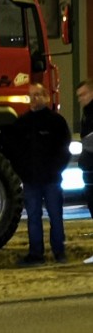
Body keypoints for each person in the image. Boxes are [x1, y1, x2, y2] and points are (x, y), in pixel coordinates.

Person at [8, 82, 71, 265]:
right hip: (31, 181)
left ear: (46, 97)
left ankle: (59, 252)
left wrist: (56, 169)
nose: (34, 99)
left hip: (51, 180)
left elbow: (65, 149)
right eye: (31, 96)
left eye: (37, 95)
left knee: (55, 217)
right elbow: (14, 152)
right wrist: (22, 172)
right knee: (33, 218)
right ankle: (36, 254)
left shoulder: (56, 122)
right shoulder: (22, 123)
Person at [75, 79, 93, 263]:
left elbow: (89, 141)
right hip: (89, 168)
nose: (81, 99)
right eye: (79, 96)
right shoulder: (87, 113)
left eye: (84, 94)